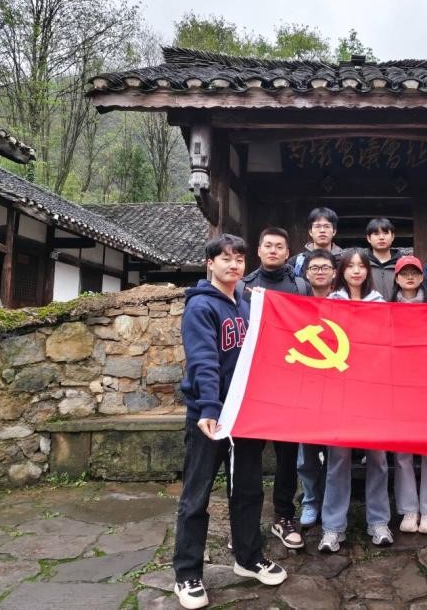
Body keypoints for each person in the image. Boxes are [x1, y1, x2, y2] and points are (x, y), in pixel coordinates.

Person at [173, 234, 286, 610]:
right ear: (210, 263)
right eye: (225, 258)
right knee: (196, 496)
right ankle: (187, 573)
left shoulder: (248, 305)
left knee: (249, 490)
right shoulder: (200, 306)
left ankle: (248, 557)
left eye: (239, 258)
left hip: (245, 415)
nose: (234, 264)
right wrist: (208, 408)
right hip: (209, 417)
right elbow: (203, 360)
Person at [239, 227, 308, 550]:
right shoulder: (243, 285)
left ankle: (284, 515)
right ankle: (245, 523)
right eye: (268, 245)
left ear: (287, 252)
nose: (273, 251)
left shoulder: (300, 285)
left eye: (279, 246)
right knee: (249, 456)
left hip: (290, 381)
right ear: (259, 250)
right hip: (254, 381)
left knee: (287, 455)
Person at [319, 248, 392, 552]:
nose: (357, 271)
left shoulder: (380, 304)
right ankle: (332, 527)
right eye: (351, 266)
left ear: (368, 271)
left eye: (362, 266)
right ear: (342, 271)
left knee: (378, 458)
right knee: (338, 459)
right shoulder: (331, 303)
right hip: (340, 392)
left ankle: (379, 521)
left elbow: (389, 343)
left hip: (373, 391)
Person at [389, 256, 427, 534]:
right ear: (396, 278)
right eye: (404, 273)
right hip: (398, 386)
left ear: (422, 277)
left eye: (414, 273)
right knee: (402, 452)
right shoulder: (385, 311)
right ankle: (408, 509)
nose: (409, 277)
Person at [296, 248, 336, 526]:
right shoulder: (295, 304)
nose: (320, 272)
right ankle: (310, 500)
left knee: (337, 454)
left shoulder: (346, 302)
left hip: (338, 387)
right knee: (306, 454)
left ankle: (332, 503)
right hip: (306, 388)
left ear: (334, 273)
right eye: (314, 268)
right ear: (306, 273)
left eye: (325, 268)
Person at [289, 207, 344, 277]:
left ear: (334, 231)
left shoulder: (344, 260)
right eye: (317, 226)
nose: (322, 230)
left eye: (327, 226)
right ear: (310, 232)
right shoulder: (297, 262)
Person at [365, 217, 403, 301]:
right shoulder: (363, 264)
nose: (381, 237)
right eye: (376, 234)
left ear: (392, 237)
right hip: (369, 308)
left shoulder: (403, 264)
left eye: (385, 233)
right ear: (368, 238)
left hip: (397, 308)